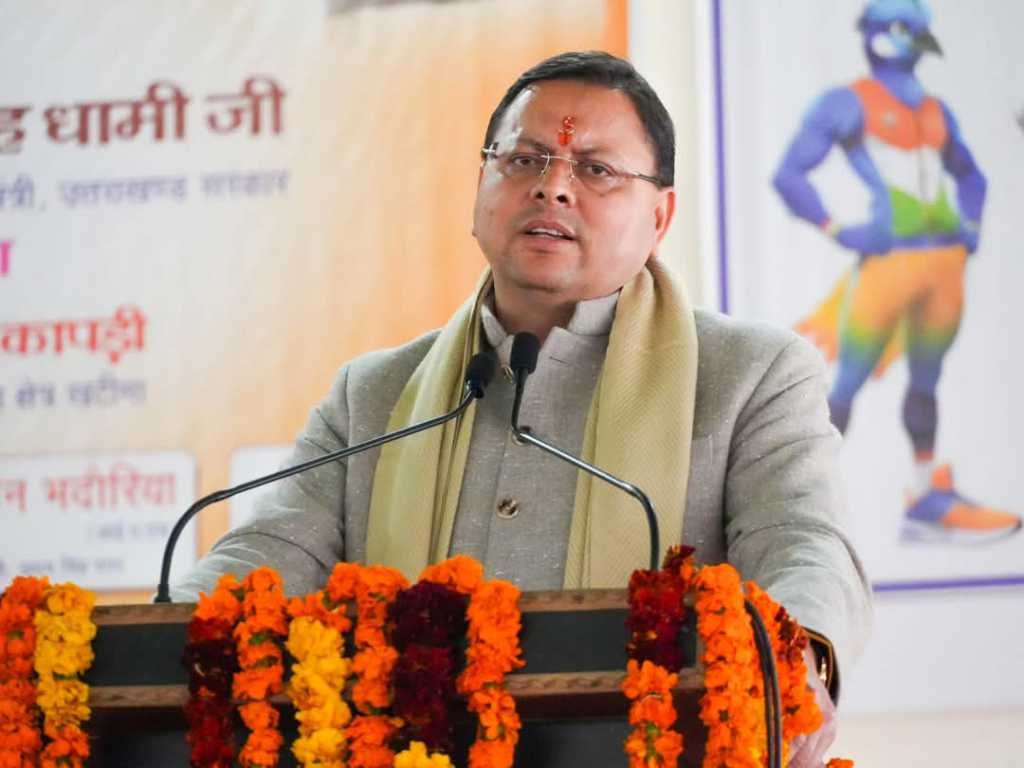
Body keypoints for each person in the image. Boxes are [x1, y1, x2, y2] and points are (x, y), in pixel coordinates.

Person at [175, 51, 872, 765]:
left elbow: (802, 542)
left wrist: (799, 651)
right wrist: (162, 636)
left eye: (596, 169)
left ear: (659, 217)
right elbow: (268, 554)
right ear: (480, 187)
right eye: (524, 160)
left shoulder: (749, 375)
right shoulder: (376, 394)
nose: (553, 187)